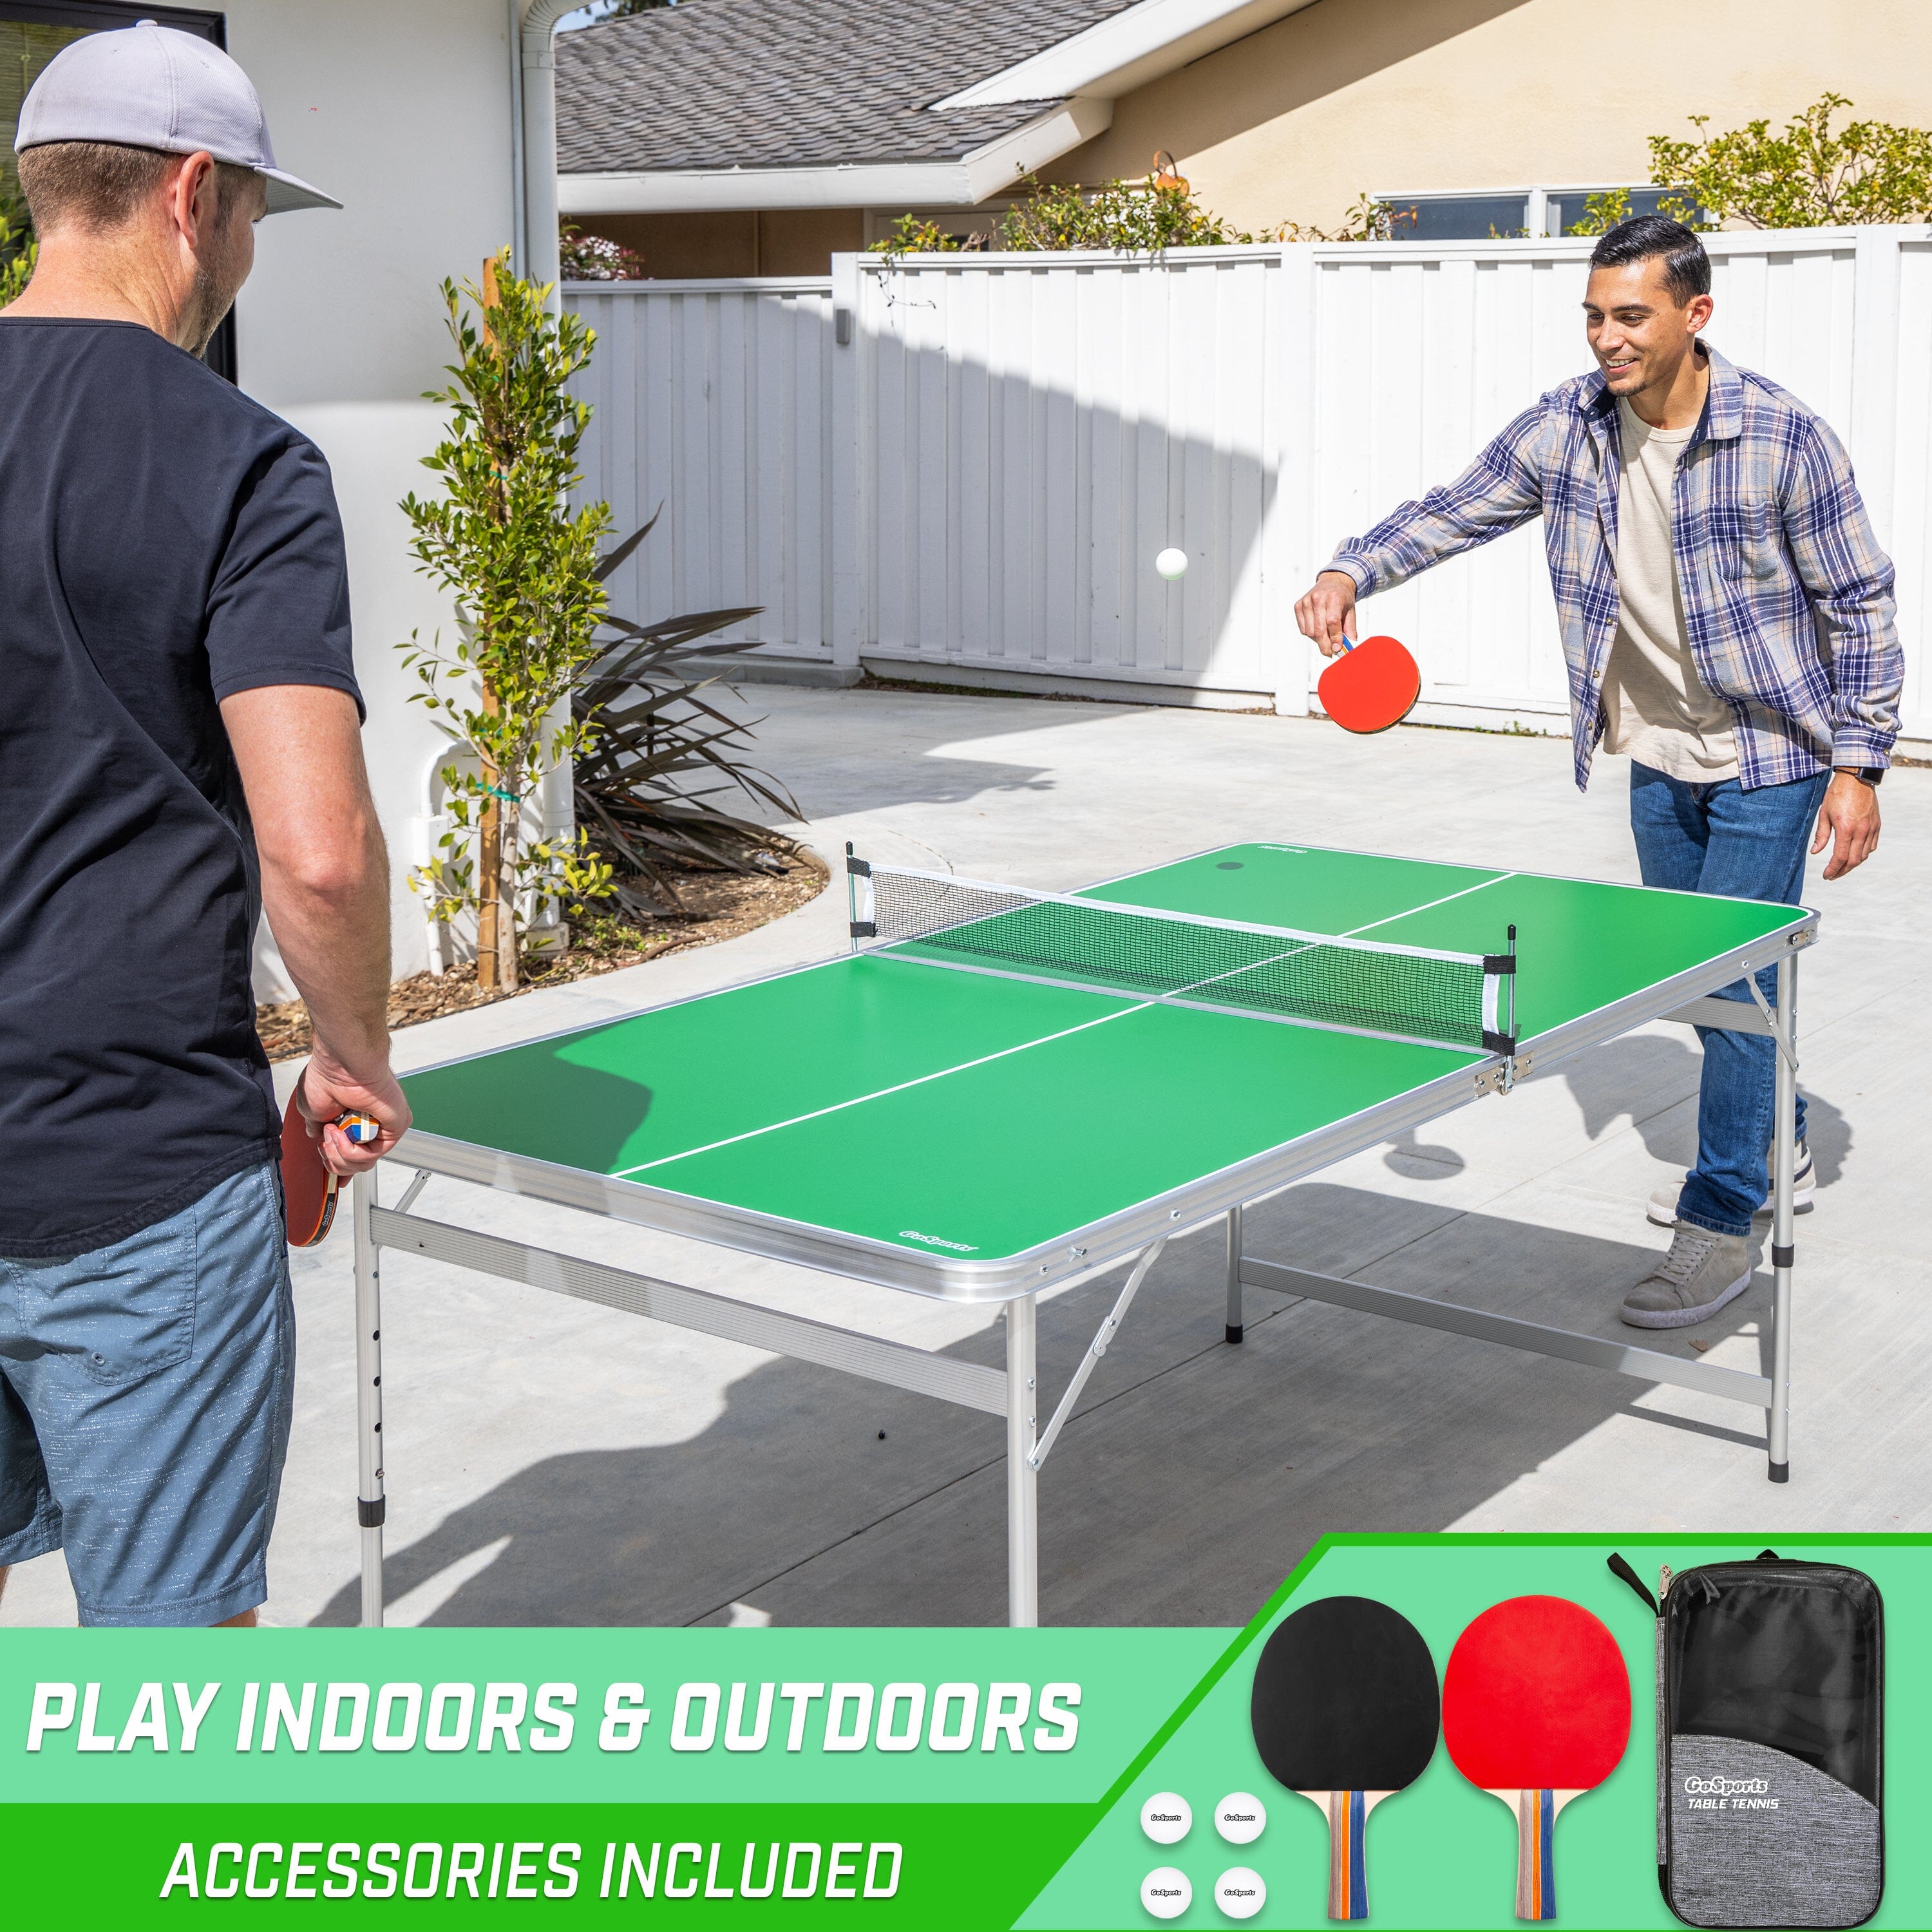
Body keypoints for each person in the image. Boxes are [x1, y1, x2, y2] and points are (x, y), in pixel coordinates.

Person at [1295, 213, 1899, 1331]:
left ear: (1694, 315)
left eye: (1631, 316)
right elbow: (1454, 508)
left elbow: (1858, 602)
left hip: (1771, 754)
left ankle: (1722, 1222)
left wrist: (1861, 762)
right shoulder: (1567, 426)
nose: (1607, 340)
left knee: (1730, 981)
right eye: (1593, 316)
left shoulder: (1780, 437)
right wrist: (1350, 570)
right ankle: (1782, 1131)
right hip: (1654, 752)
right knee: (1703, 986)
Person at [0, 23, 410, 1626]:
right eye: (249, 214)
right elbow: (318, 844)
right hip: (137, 1179)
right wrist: (354, 1050)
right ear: (191, 197)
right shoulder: (244, 463)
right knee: (175, 1693)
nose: (243, 254)